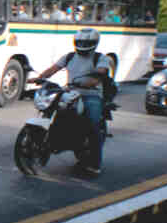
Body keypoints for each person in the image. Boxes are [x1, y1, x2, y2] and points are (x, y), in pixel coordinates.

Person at [31, 27, 110, 177]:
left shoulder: (101, 58)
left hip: (91, 95)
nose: (83, 44)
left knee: (92, 125)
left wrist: (92, 81)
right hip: (70, 92)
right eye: (80, 41)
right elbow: (53, 68)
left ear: (95, 43)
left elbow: (100, 73)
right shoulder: (69, 57)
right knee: (50, 108)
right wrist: (40, 77)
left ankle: (94, 165)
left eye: (87, 42)